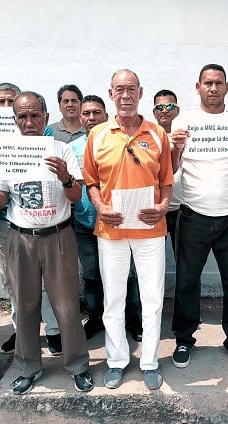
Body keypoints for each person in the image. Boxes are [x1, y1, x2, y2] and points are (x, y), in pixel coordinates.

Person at [0, 90, 93, 395]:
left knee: (67, 305)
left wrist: (66, 178)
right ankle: (28, 367)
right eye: (22, 115)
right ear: (15, 120)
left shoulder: (61, 150)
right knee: (25, 305)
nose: (29, 121)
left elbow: (76, 198)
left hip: (59, 235)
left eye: (35, 114)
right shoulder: (6, 153)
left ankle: (77, 366)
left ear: (46, 118)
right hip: (21, 238)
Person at [170, 64, 228, 373]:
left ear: (227, 87)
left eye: (218, 83)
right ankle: (184, 338)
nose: (213, 88)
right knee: (187, 281)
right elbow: (171, 168)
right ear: (197, 86)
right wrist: (177, 147)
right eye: (207, 83)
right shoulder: (184, 119)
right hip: (194, 215)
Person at [83, 69, 173, 390]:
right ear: (110, 94)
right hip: (112, 230)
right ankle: (117, 360)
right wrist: (101, 207)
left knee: (152, 299)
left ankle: (149, 361)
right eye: (119, 89)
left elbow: (166, 181)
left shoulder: (157, 134)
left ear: (140, 92)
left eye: (131, 89)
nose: (125, 95)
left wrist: (162, 207)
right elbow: (91, 182)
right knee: (114, 299)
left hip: (150, 229)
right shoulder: (98, 135)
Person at [0, 83, 62, 356]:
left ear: (44, 116)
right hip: (8, 221)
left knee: (48, 283)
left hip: (46, 223)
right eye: (1, 102)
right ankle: (23, 334)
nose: (27, 121)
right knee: (14, 282)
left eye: (10, 101)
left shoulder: (51, 143)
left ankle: (53, 331)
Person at [72, 95, 142, 341]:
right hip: (85, 222)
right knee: (91, 275)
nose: (91, 118)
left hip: (119, 221)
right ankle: (96, 317)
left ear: (105, 115)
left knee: (129, 275)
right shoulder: (73, 147)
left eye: (96, 113)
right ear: (80, 118)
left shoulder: (114, 139)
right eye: (86, 114)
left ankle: (133, 318)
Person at [152, 89, 181, 247]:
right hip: (155, 208)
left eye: (169, 106)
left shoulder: (186, 135)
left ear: (177, 110)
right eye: (159, 107)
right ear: (154, 112)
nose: (164, 110)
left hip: (182, 209)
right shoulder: (148, 136)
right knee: (152, 258)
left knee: (184, 259)